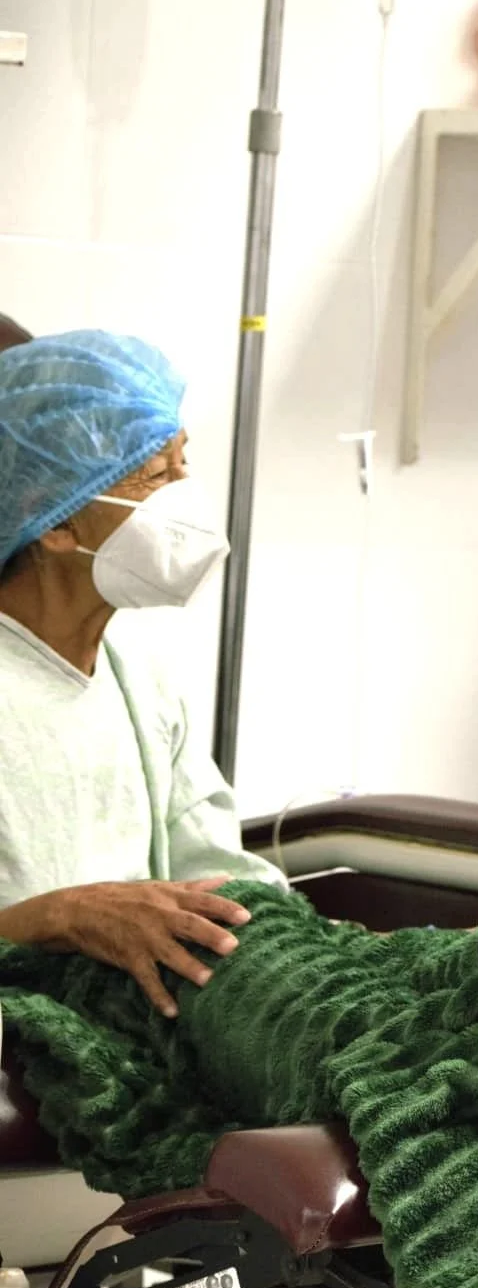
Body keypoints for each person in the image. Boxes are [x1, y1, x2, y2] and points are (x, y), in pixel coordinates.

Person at [0, 330, 284, 1020]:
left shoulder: (137, 676)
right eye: (156, 475)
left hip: (152, 1023)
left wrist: (308, 947)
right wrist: (60, 915)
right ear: (54, 522)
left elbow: (216, 869)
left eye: (183, 462)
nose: (185, 495)